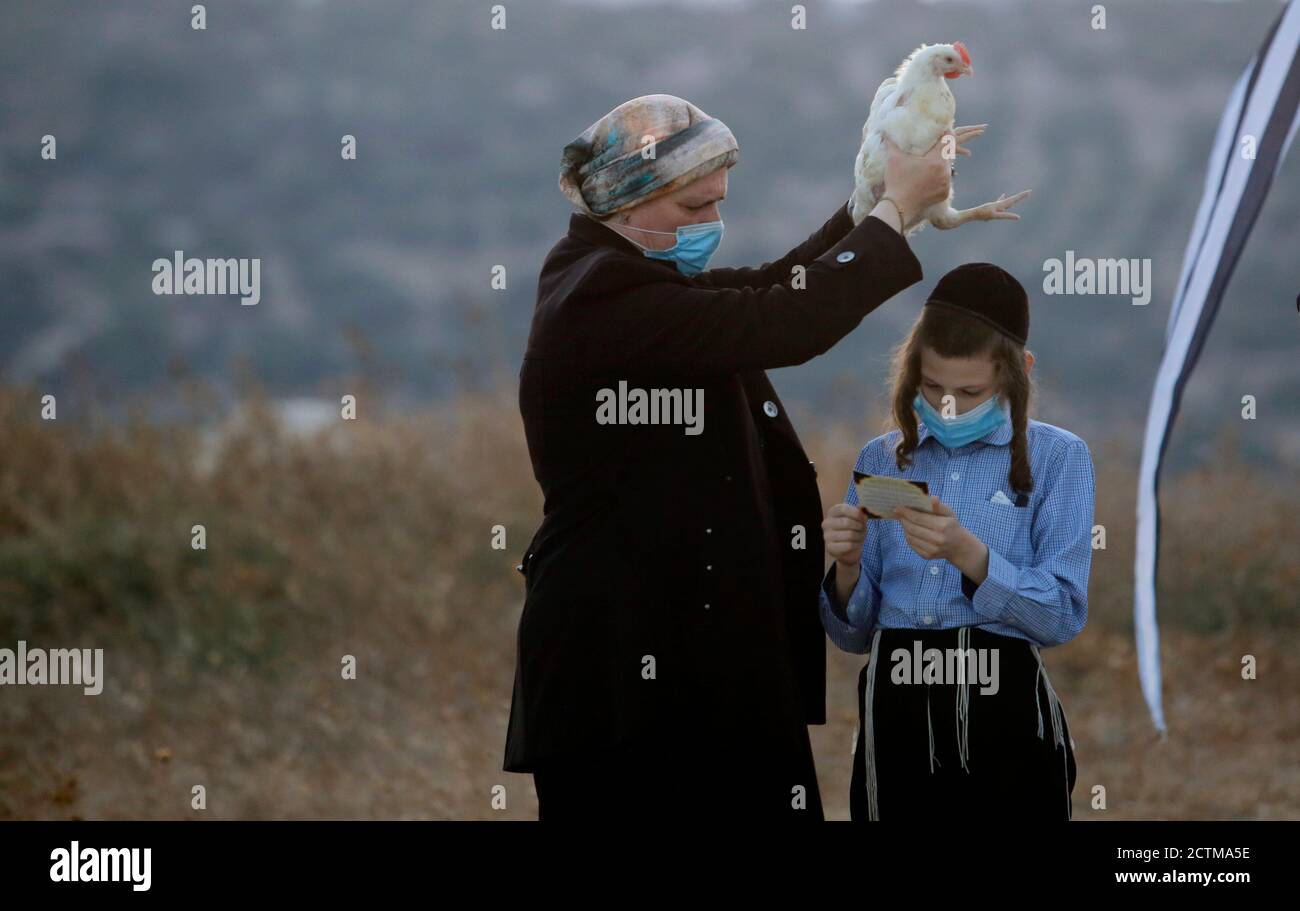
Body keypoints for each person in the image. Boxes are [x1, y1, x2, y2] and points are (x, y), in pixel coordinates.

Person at [503, 92, 983, 820]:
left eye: (716, 205)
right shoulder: (602, 297)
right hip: (624, 667)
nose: (710, 226)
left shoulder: (633, 274)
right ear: (627, 201)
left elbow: (776, 284)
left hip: (694, 654)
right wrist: (889, 218)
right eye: (692, 209)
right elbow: (784, 321)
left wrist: (877, 201)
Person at [819, 262, 1095, 820]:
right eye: (932, 386)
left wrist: (969, 554)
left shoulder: (1059, 457)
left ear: (1020, 371)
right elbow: (852, 635)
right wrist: (847, 566)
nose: (948, 407)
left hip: (1004, 703)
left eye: (971, 391)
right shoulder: (881, 458)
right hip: (895, 700)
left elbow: (1062, 614)